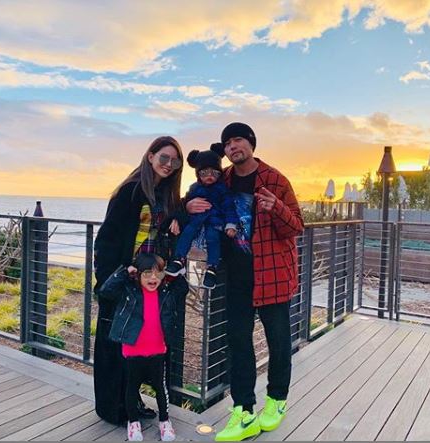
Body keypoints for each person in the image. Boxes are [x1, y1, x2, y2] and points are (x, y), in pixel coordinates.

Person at [187, 123, 304, 441]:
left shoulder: (275, 179)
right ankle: (244, 411)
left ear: (251, 143)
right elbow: (198, 197)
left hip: (272, 275)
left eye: (238, 140)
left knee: (278, 341)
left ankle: (277, 401)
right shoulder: (221, 178)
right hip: (236, 277)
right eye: (227, 143)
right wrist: (187, 206)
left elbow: (296, 226)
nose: (232, 147)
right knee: (238, 342)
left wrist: (276, 207)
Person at [93, 136, 184, 426]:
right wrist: (107, 278)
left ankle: (131, 403)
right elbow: (107, 238)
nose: (169, 164)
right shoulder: (130, 191)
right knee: (114, 344)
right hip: (124, 278)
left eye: (175, 161)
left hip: (149, 281)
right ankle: (112, 408)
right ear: (150, 156)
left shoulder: (165, 195)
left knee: (138, 344)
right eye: (164, 157)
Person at [97, 253, 190, 441]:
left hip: (157, 351)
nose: (153, 278)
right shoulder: (129, 292)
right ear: (138, 274)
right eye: (147, 273)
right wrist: (124, 272)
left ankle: (165, 421)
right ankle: (133, 423)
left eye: (158, 273)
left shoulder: (165, 293)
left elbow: (183, 288)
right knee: (132, 388)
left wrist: (175, 272)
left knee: (160, 388)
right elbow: (106, 291)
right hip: (133, 350)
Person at [165, 144, 238, 289]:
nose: (210, 176)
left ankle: (212, 268)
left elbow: (229, 207)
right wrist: (181, 214)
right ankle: (179, 259)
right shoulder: (194, 188)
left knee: (213, 239)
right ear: (198, 174)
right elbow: (183, 203)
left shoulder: (222, 189)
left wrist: (231, 224)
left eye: (214, 173)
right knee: (187, 234)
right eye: (204, 173)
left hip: (214, 222)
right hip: (196, 221)